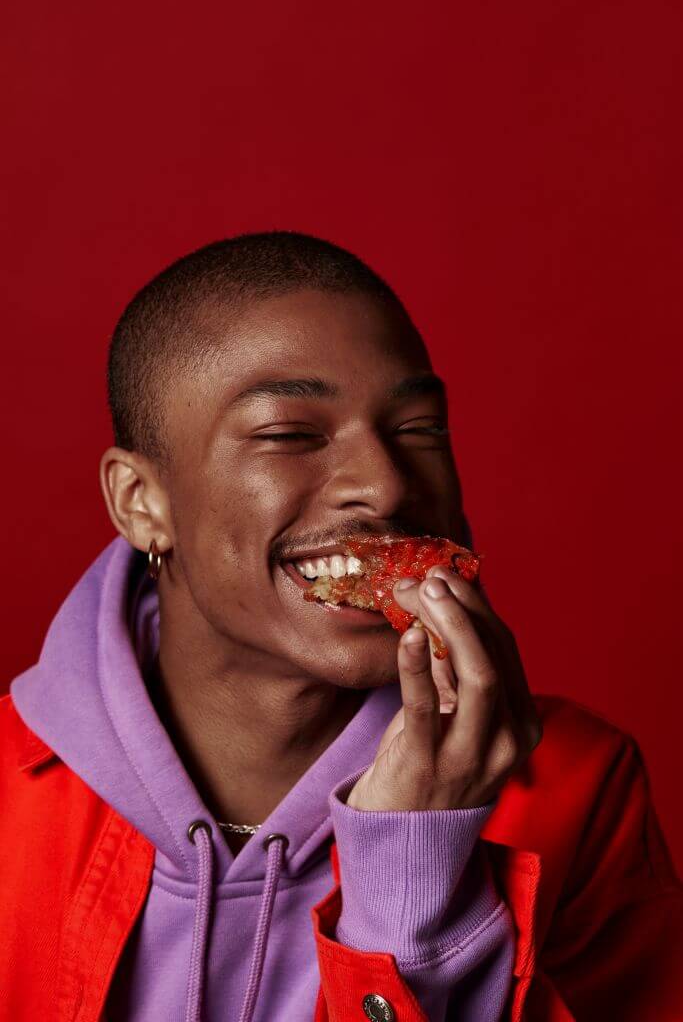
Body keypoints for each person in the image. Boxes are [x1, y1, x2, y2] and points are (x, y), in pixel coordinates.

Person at [1, 232, 680, 1022]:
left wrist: (411, 885)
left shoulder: (574, 787)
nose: (386, 488)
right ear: (140, 502)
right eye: (290, 435)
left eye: (420, 431)